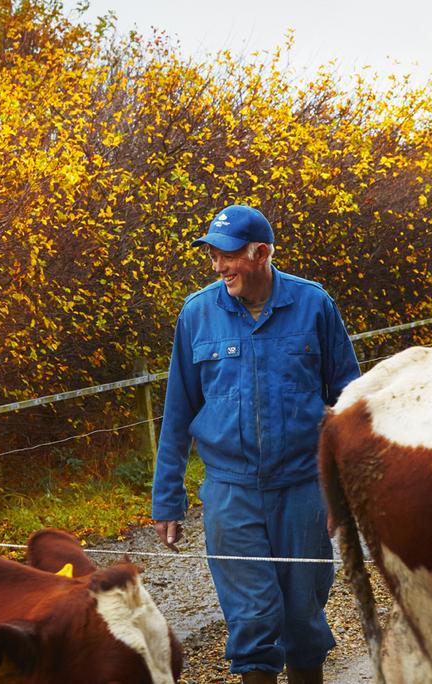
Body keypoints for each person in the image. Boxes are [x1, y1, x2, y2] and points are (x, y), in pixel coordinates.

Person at [151, 204, 361, 684]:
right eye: (212, 257)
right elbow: (178, 413)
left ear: (260, 253)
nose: (218, 267)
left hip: (302, 490)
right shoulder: (198, 314)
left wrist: (342, 489)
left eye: (227, 256)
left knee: (303, 621)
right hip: (231, 494)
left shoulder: (314, 306)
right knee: (253, 623)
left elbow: (348, 401)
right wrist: (168, 499)